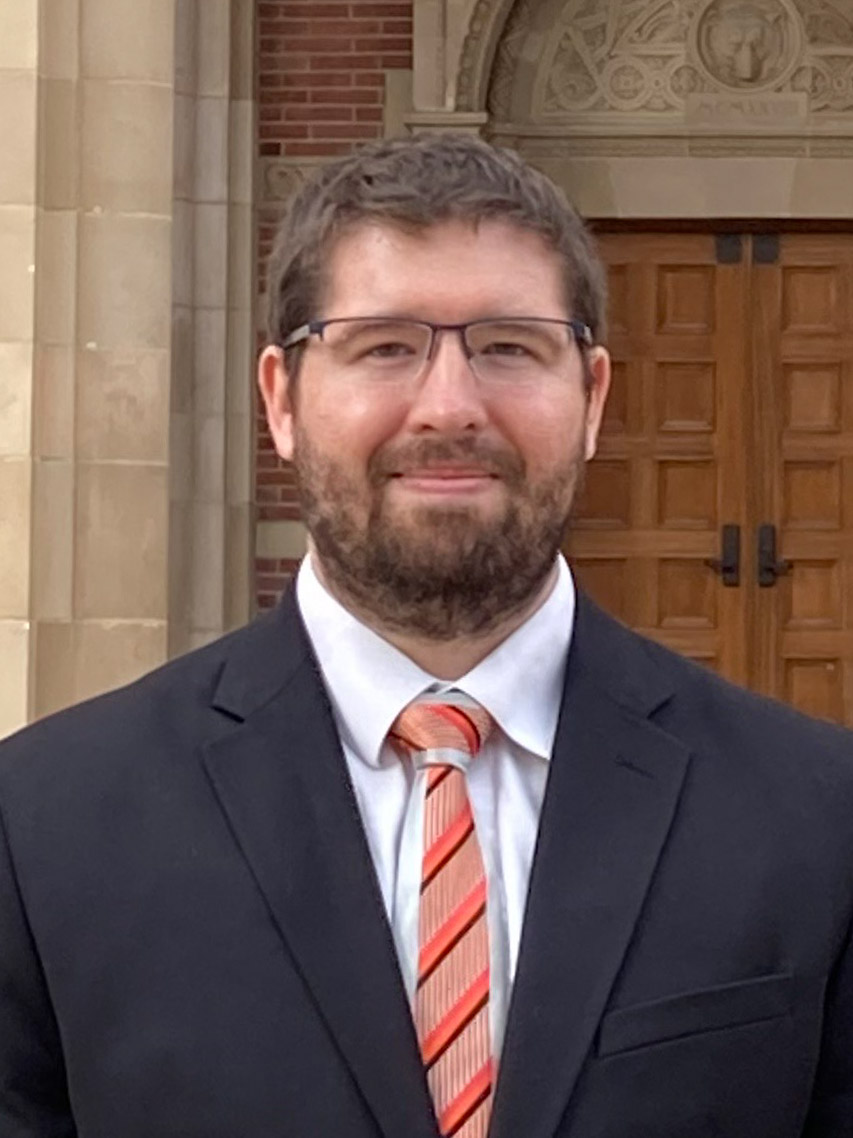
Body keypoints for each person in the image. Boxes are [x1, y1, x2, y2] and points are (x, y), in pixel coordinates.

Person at [1, 133, 852, 1138]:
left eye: (508, 346)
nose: (449, 407)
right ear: (281, 399)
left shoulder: (816, 816)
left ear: (592, 398)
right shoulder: (43, 825)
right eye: (385, 346)